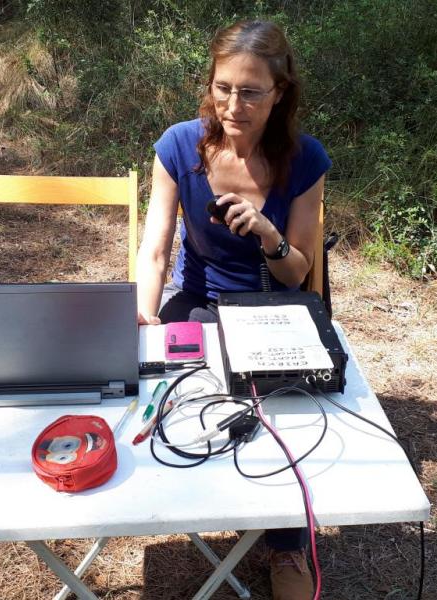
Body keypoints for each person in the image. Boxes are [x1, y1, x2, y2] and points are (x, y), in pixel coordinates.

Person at [135, 19, 330, 600]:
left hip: (273, 306)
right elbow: (155, 247)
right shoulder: (179, 146)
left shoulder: (305, 159)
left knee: (284, 411)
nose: (233, 106)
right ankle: (187, 490)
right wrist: (146, 315)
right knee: (169, 392)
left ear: (280, 93)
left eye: (250, 92)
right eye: (223, 88)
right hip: (198, 303)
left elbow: (298, 272)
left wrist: (270, 234)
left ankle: (287, 542)